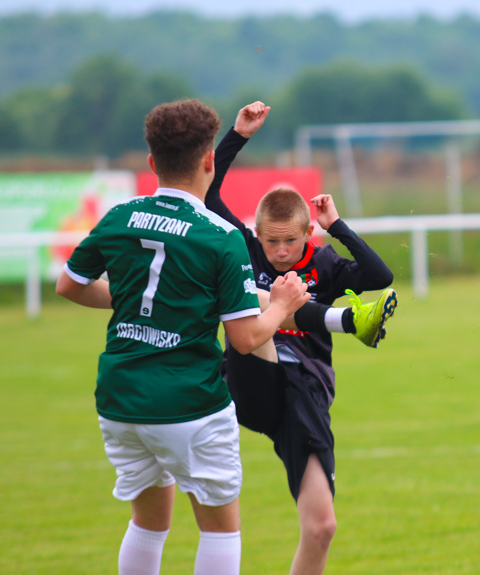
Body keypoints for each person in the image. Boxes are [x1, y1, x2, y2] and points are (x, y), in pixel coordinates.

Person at [55, 98, 311, 575]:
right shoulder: (219, 235)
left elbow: (69, 284)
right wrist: (281, 306)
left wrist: (136, 299)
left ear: (152, 162)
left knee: (148, 525)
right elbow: (244, 338)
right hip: (188, 403)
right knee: (219, 529)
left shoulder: (120, 215)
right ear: (210, 160)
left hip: (120, 399)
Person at [204, 101, 397, 574]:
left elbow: (380, 274)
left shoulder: (323, 261)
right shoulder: (248, 251)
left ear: (307, 233)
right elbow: (208, 196)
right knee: (259, 300)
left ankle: (346, 320)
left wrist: (338, 227)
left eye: (291, 241)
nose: (281, 251)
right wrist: (238, 134)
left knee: (321, 528)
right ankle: (349, 323)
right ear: (257, 235)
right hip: (252, 371)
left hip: (304, 394)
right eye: (271, 242)